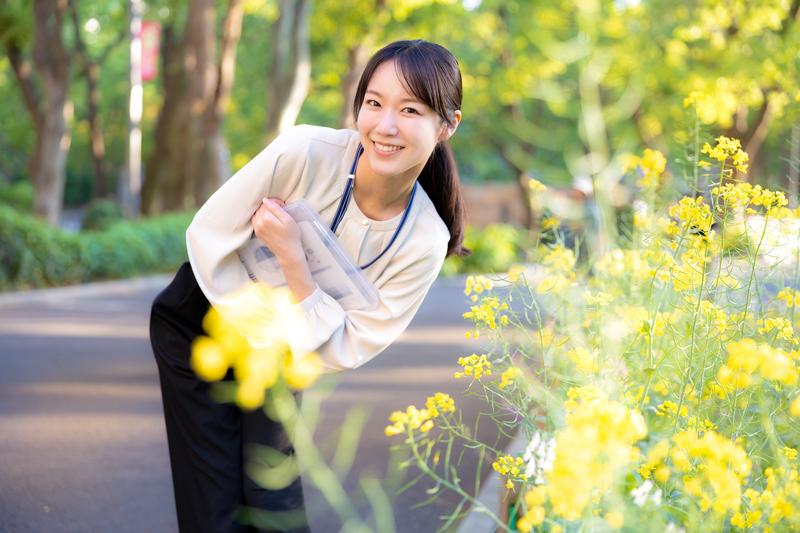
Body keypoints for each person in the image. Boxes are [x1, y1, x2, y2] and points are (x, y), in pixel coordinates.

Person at [149, 39, 467, 533]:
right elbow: (208, 236)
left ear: (447, 125)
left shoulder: (424, 240)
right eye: (374, 103)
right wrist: (274, 328)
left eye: (410, 110)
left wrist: (294, 261)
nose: (385, 126)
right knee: (214, 500)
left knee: (272, 499)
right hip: (203, 317)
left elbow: (349, 343)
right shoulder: (305, 152)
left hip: (288, 350)